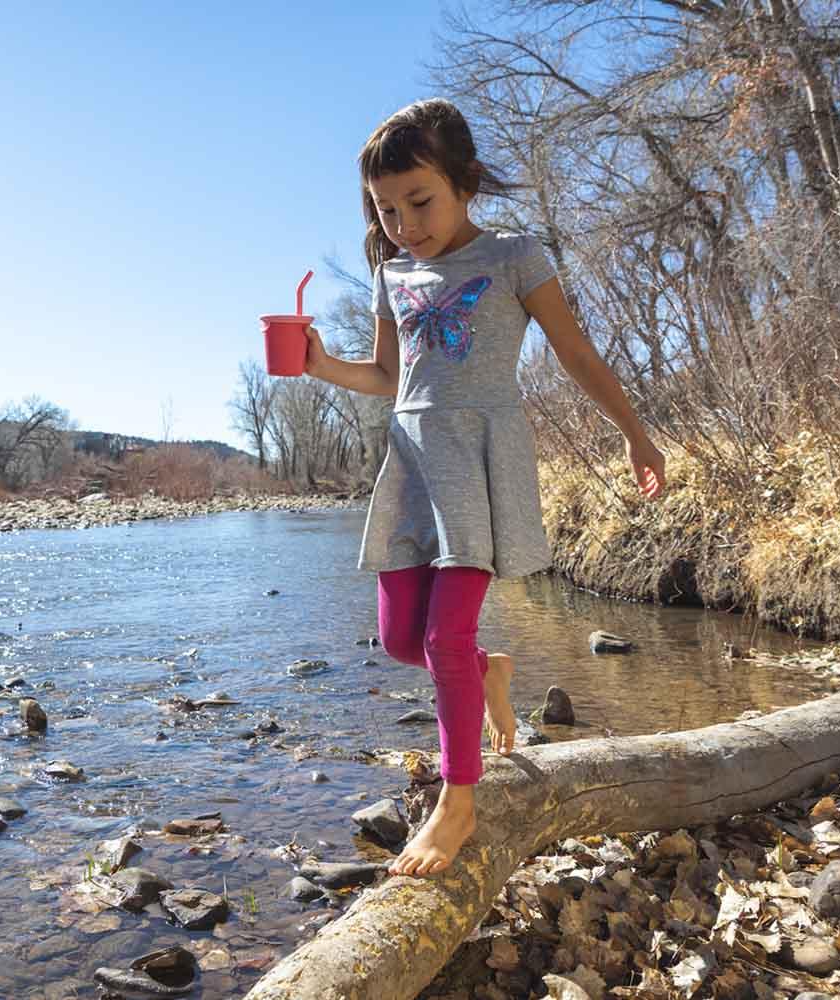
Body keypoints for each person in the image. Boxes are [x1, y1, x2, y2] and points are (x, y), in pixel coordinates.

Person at [303, 97, 666, 878]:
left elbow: (575, 353)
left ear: (464, 181)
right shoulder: (392, 272)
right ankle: (489, 670)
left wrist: (636, 432)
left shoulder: (514, 256)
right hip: (410, 462)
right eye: (386, 209)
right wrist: (318, 363)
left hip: (479, 459)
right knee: (406, 641)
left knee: (441, 639)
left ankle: (458, 802)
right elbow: (387, 376)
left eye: (420, 200)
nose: (404, 222)